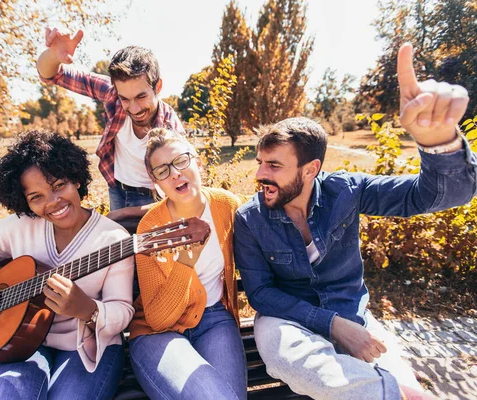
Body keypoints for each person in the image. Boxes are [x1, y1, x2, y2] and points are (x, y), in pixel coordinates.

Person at [234, 43, 477, 400]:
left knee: (379, 378)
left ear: (311, 169)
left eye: (273, 165)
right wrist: (332, 326)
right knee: (301, 368)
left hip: (354, 315)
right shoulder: (250, 218)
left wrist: (439, 144)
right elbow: (261, 294)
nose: (259, 174)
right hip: (286, 321)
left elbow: (431, 196)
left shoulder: (346, 191)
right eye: (260, 162)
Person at [0, 131, 135, 400]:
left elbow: (123, 309)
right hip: (16, 345)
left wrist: (88, 309)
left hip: (88, 349)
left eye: (59, 185)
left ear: (77, 179)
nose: (53, 202)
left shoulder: (114, 239)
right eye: (36, 197)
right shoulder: (19, 227)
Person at [127, 128, 248, 400]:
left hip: (215, 318)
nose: (174, 174)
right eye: (162, 170)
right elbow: (158, 319)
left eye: (181, 161)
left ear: (198, 161)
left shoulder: (226, 205)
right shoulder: (152, 228)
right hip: (156, 333)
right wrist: (186, 260)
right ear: (155, 182)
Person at [36, 28, 185, 219]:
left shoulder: (171, 131)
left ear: (158, 87)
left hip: (151, 200)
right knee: (121, 246)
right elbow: (51, 75)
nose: (134, 108)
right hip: (116, 187)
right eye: (125, 99)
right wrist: (52, 55)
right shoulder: (111, 94)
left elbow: (178, 198)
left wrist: (123, 213)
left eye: (141, 96)